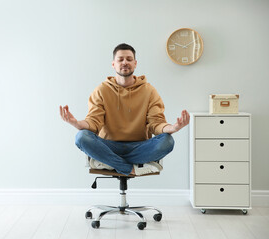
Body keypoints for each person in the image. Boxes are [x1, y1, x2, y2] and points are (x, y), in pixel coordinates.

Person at [59, 43, 189, 176]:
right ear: (113, 64)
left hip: (140, 147)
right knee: (81, 137)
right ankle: (130, 167)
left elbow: (156, 123)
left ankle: (109, 162)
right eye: (120, 59)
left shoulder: (149, 91)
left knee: (167, 141)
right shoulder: (101, 90)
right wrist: (77, 124)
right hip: (109, 146)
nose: (125, 62)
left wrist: (172, 128)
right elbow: (94, 122)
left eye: (129, 59)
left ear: (135, 63)